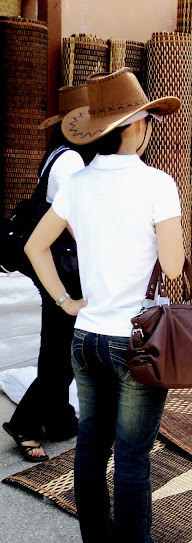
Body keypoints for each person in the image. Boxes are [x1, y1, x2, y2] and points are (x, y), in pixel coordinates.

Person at [24, 67, 184, 543]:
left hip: (86, 335)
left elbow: (35, 247)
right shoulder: (158, 184)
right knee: (132, 458)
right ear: (135, 126)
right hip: (137, 342)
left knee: (91, 448)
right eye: (148, 120)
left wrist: (66, 302)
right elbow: (173, 267)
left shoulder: (77, 183)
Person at [2, 84, 96, 462]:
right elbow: (75, 221)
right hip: (61, 268)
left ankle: (58, 419)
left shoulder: (58, 155)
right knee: (61, 352)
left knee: (59, 346)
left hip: (57, 265)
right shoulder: (70, 161)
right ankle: (25, 424)